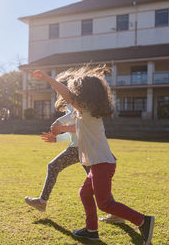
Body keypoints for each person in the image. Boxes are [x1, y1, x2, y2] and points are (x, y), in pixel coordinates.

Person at [33, 66, 154, 245]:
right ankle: (91, 231)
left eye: (75, 92)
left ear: (84, 95)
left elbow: (68, 96)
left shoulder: (85, 110)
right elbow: (77, 128)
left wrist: (49, 80)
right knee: (85, 193)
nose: (73, 96)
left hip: (101, 164)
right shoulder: (88, 114)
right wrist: (61, 129)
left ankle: (143, 221)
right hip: (100, 163)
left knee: (105, 203)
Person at [25, 71, 125, 223]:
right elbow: (77, 130)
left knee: (56, 167)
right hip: (82, 146)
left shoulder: (78, 104)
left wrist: (60, 124)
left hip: (81, 148)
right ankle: (114, 213)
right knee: (94, 181)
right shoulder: (77, 104)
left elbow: (76, 125)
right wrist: (58, 139)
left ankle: (42, 201)